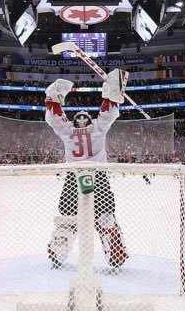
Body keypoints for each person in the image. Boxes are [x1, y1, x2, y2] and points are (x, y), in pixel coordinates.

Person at [45, 69, 129, 269]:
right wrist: (113, 90)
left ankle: (58, 253)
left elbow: (53, 116)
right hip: (98, 178)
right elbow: (109, 111)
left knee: (66, 218)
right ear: (90, 121)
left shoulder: (67, 131)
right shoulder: (98, 128)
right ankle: (115, 255)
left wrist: (56, 91)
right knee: (106, 217)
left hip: (73, 179)